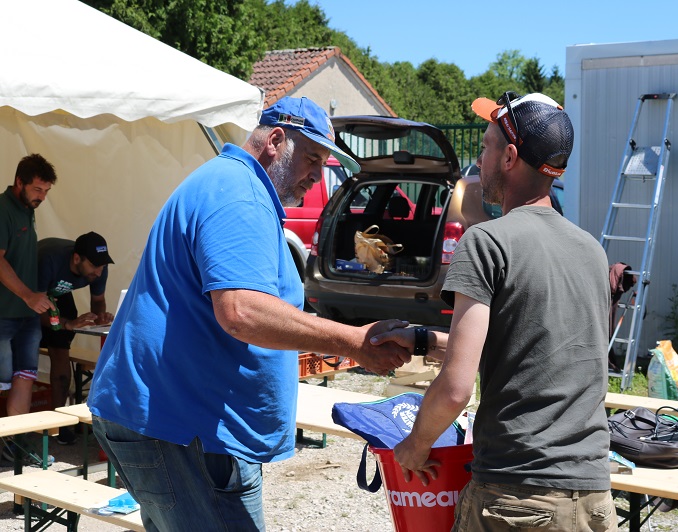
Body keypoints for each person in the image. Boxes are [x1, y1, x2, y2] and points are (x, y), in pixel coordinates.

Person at [88, 96, 411, 531]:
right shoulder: (241, 195)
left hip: (174, 424)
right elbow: (241, 311)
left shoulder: (230, 183)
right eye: (312, 159)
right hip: (181, 428)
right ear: (275, 140)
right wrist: (352, 341)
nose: (318, 175)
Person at [372, 93, 618, 531]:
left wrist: (416, 444)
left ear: (509, 157)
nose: (479, 159)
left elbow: (455, 389)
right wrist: (423, 340)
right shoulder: (591, 251)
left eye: (485, 146)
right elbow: (539, 348)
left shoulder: (486, 242)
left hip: (517, 498)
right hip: (594, 501)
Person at [0, 154, 58, 464]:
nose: (42, 197)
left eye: (46, 191)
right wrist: (28, 296)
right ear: (19, 182)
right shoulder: (3, 209)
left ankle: (15, 447)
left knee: (25, 377)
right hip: (4, 312)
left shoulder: (27, 209)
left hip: (26, 314)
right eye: (37, 189)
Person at [38, 232, 115, 445]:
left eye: (102, 266)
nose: (99, 272)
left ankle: (60, 424)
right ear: (76, 258)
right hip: (26, 294)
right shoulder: (48, 259)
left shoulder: (99, 268)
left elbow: (98, 300)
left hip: (57, 295)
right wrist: (67, 324)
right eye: (94, 266)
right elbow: (33, 307)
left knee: (61, 352)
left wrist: (100, 317)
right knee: (21, 355)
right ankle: (19, 429)